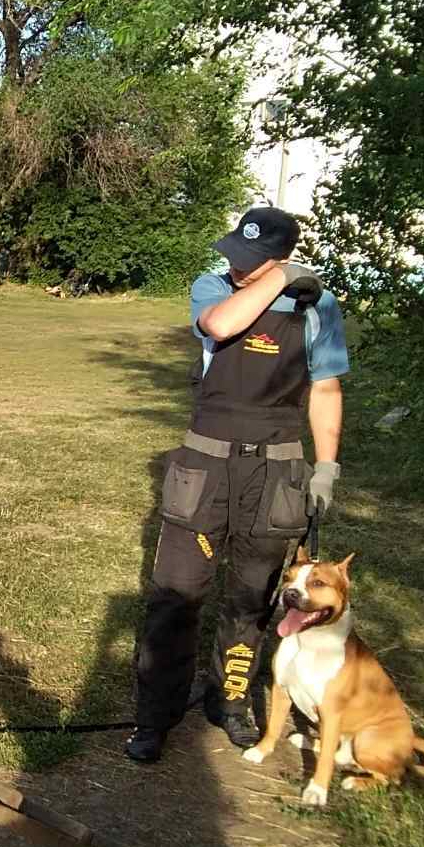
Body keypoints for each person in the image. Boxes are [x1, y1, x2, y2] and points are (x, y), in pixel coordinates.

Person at [125, 206, 348, 762]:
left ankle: (229, 700)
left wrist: (326, 466)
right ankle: (156, 716)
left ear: (282, 255)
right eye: (237, 256)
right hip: (205, 465)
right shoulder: (213, 287)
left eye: (253, 260)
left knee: (254, 596)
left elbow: (325, 389)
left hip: (276, 471)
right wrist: (281, 275)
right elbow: (221, 326)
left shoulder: (317, 305)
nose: (238, 267)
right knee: (176, 595)